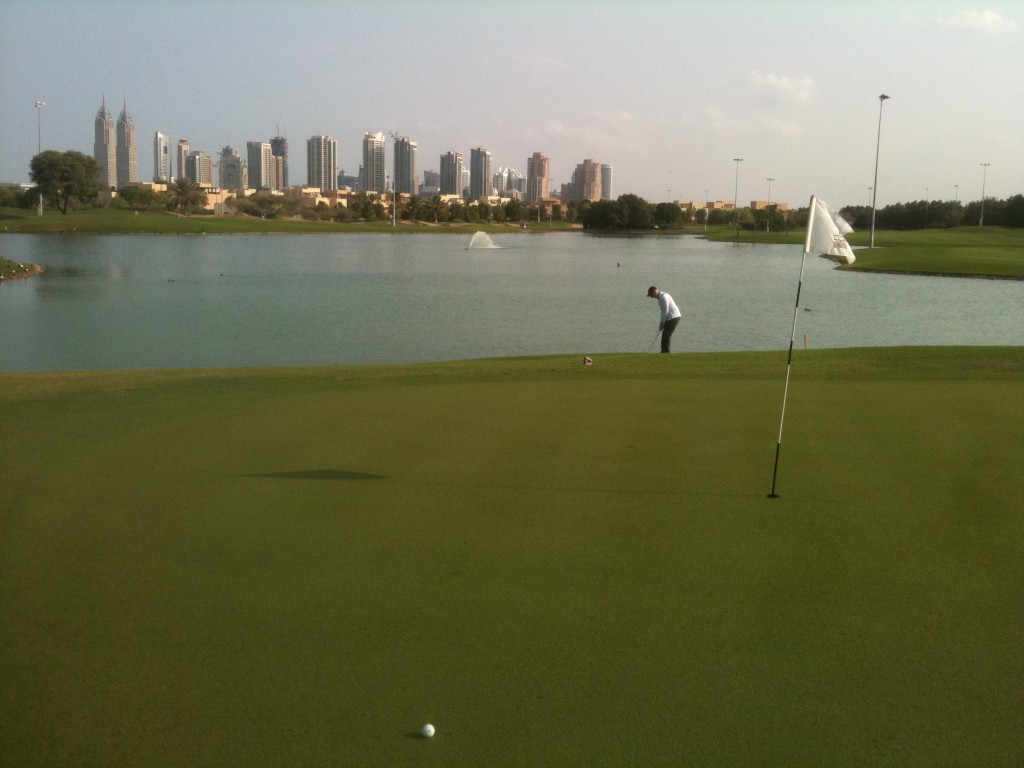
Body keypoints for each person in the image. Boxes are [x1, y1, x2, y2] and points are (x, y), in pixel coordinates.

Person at [646, 285, 682, 353]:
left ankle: (665, 352)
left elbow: (665, 311)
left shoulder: (663, 297)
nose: (651, 297)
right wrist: (663, 322)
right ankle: (664, 351)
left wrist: (662, 323)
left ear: (654, 291)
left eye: (651, 295)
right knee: (665, 335)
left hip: (673, 317)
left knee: (666, 335)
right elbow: (664, 312)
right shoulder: (662, 296)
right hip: (670, 317)